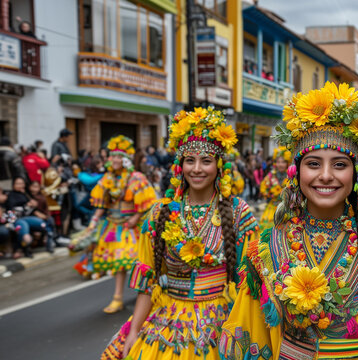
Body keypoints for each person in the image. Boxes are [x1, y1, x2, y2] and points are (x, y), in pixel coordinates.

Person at [219, 82, 358, 359]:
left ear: (356, 175)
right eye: (313, 164)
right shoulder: (267, 248)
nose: (326, 175)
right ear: (296, 173)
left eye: (339, 164)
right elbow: (253, 337)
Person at [101, 107, 259, 359]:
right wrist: (134, 330)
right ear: (180, 165)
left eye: (206, 161)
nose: (197, 169)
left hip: (222, 324)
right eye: (190, 160)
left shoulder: (239, 213)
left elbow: (248, 286)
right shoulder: (158, 214)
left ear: (219, 165)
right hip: (167, 322)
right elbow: (148, 282)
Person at [88, 135, 157, 313]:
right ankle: (117, 298)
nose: (115, 160)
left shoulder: (136, 178)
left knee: (143, 262)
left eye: (119, 157)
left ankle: (150, 291)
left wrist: (136, 217)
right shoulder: (107, 179)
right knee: (119, 264)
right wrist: (93, 221)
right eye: (113, 156)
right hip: (114, 226)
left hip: (133, 226)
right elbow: (102, 204)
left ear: (126, 160)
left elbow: (149, 202)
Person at [258, 146, 290, 230]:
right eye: (278, 162)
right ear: (275, 163)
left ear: (287, 163)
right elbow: (263, 188)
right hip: (272, 207)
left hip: (288, 209)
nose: (280, 164)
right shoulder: (271, 175)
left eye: (283, 162)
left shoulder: (291, 177)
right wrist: (268, 195)